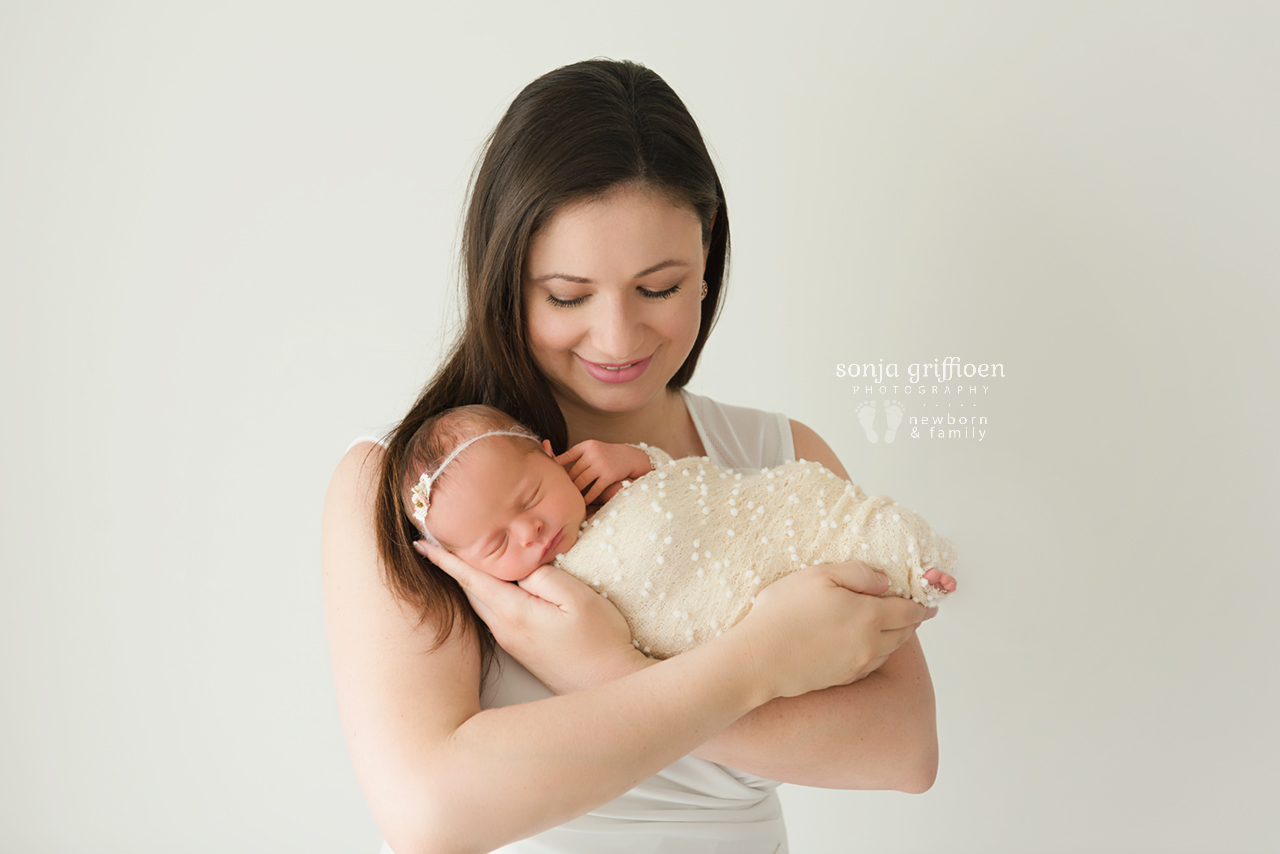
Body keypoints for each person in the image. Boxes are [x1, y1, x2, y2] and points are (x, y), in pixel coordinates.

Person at [322, 58, 939, 854]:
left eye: (657, 289)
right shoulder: (408, 491)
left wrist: (609, 671)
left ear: (708, 259)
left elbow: (904, 748)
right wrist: (759, 662)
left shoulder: (773, 455)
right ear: (505, 277)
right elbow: (431, 812)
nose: (616, 339)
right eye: (568, 296)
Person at [399, 403, 957, 660]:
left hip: (755, 522)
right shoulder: (532, 605)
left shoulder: (612, 480)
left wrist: (641, 461)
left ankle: (907, 558)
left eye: (532, 496)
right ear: (467, 567)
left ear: (553, 457)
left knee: (821, 516)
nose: (532, 530)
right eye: (497, 544)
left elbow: (697, 489)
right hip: (733, 627)